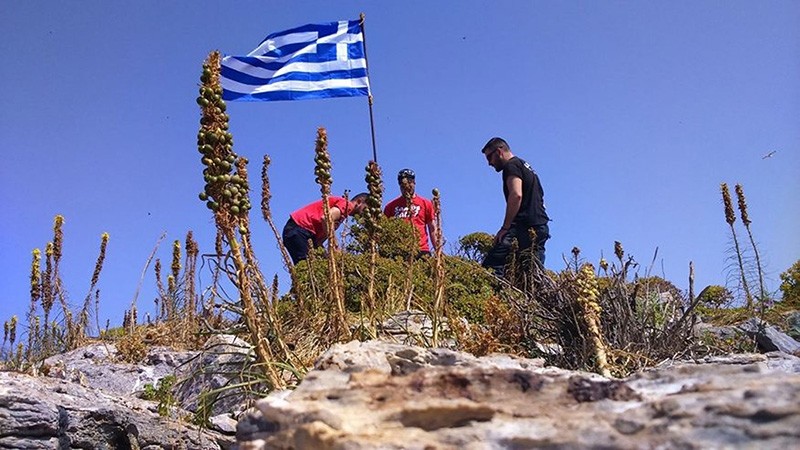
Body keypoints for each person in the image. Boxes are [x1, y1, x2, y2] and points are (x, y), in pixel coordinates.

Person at [480, 137, 550, 276]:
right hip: (540, 225)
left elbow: (516, 194)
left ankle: (494, 297)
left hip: (524, 226)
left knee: (492, 267)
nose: (489, 163)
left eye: (489, 157)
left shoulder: (511, 166)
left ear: (499, 151)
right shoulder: (526, 166)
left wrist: (505, 228)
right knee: (529, 273)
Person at [282, 193, 368, 264]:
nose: (363, 214)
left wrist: (327, 256)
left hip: (302, 233)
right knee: (308, 268)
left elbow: (318, 242)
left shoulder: (340, 217)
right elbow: (326, 218)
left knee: (317, 266)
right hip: (299, 228)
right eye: (365, 209)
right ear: (359, 202)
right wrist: (335, 245)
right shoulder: (347, 205)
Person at [384, 169, 437, 257]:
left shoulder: (426, 203)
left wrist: (438, 251)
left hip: (421, 250)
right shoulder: (390, 207)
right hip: (399, 251)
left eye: (410, 182)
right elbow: (384, 231)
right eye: (403, 184)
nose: (407, 186)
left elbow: (432, 229)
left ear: (414, 182)